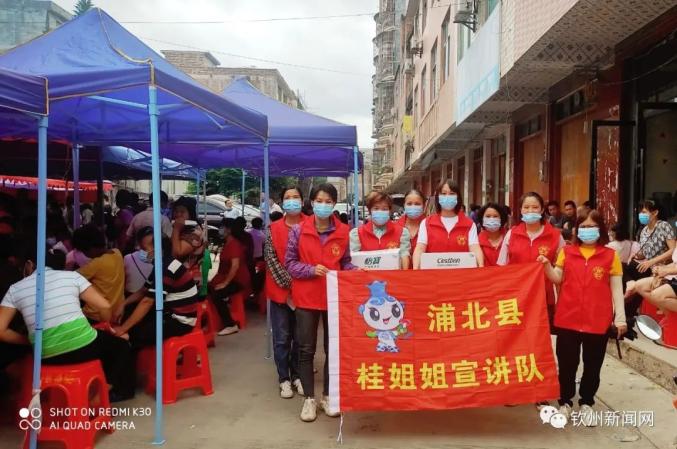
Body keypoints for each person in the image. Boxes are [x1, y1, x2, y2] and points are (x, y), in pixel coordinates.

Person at [0, 246, 135, 401]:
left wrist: (29, 341)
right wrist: (106, 325)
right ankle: (102, 391)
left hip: (47, 356)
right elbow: (104, 306)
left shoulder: (15, 289)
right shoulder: (71, 277)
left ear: (30, 264)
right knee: (121, 346)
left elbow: (1, 330)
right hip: (85, 349)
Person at [539, 209, 626, 426]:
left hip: (598, 321)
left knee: (592, 365)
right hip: (567, 318)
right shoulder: (567, 252)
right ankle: (565, 402)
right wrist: (547, 266)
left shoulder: (610, 256)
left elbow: (617, 290)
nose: (587, 231)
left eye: (592, 226)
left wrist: (621, 319)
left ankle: (586, 402)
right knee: (567, 364)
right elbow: (557, 277)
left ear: (601, 229)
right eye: (583, 227)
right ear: (577, 230)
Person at [285, 183, 354, 422]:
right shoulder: (298, 230)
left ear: (334, 205)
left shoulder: (344, 231)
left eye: (328, 202)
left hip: (334, 297)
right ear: (312, 203)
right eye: (319, 201)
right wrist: (311, 269)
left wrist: (358, 271)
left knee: (332, 349)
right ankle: (309, 400)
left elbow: (345, 262)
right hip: (306, 297)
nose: (323, 205)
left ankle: (327, 396)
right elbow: (290, 263)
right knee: (306, 349)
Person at [113, 237, 198, 349]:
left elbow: (147, 301)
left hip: (180, 321)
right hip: (170, 313)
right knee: (130, 315)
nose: (139, 250)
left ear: (158, 249)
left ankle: (139, 362)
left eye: (144, 248)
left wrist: (123, 329)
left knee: (136, 333)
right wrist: (123, 304)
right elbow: (144, 291)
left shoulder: (166, 268)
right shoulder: (162, 264)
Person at [497, 192, 565, 328]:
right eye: (526, 207)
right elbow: (501, 268)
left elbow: (560, 273)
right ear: (521, 210)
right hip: (515, 298)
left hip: (544, 299)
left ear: (542, 210)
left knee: (539, 339)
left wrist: (560, 303)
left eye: (535, 207)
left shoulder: (556, 236)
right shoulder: (512, 234)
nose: (530, 211)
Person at [264, 187, 305, 399]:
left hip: (305, 293)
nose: (292, 201)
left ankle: (298, 375)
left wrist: (300, 284)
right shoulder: (273, 229)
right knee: (281, 338)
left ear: (302, 200)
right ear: (282, 203)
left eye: (295, 197)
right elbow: (271, 260)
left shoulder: (311, 224)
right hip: (280, 291)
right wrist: (290, 284)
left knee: (300, 338)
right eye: (287, 198)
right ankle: (284, 379)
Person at [625, 200, 676, 328]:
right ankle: (626, 313)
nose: (641, 215)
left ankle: (667, 314)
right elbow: (644, 253)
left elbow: (672, 250)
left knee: (639, 286)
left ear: (655, 213)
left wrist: (653, 262)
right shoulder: (643, 231)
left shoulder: (664, 226)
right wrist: (636, 256)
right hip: (652, 268)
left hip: (665, 268)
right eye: (640, 212)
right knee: (624, 268)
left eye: (644, 212)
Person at [412, 180, 484, 269]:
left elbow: (475, 248)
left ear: (458, 197)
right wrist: (415, 270)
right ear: (438, 197)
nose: (447, 197)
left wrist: (481, 267)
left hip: (461, 277)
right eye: (443, 193)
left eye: (452, 193)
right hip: (434, 277)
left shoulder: (469, 224)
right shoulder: (427, 223)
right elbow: (420, 248)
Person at [74, 225, 125, 323]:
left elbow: (71, 278)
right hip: (116, 312)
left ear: (90, 248)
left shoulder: (96, 264)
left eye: (84, 251)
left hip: (95, 314)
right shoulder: (117, 253)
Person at [209, 218, 252, 336]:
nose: (220, 230)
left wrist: (225, 283)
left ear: (228, 230)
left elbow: (235, 266)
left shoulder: (234, 244)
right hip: (228, 278)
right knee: (207, 290)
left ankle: (230, 324)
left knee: (217, 295)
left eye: (222, 227)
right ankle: (212, 320)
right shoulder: (226, 243)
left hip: (238, 280)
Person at [350, 192, 410, 269]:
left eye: (384, 209)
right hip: (367, 279)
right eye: (376, 208)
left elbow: (404, 255)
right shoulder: (357, 233)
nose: (380, 211)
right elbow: (354, 260)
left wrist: (404, 275)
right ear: (369, 210)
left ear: (390, 210)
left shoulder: (402, 232)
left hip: (394, 278)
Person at [171, 196, 206, 286]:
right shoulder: (183, 228)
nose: (178, 214)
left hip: (188, 280)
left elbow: (178, 252)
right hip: (177, 277)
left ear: (190, 213)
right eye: (176, 211)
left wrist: (176, 229)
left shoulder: (195, 233)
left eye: (182, 211)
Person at [632, 246, 677, 314]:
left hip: (673, 276)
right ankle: (670, 316)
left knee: (657, 295)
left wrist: (667, 271)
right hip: (673, 277)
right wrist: (662, 268)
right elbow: (675, 263)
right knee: (639, 285)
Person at [123, 227, 154, 296]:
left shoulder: (128, 258)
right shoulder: (163, 259)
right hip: (151, 298)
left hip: (131, 297)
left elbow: (123, 282)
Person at [397, 189, 426, 261]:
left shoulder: (430, 225)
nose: (413, 207)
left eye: (417, 204)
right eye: (409, 204)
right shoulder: (396, 226)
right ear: (404, 205)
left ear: (424, 205)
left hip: (424, 270)